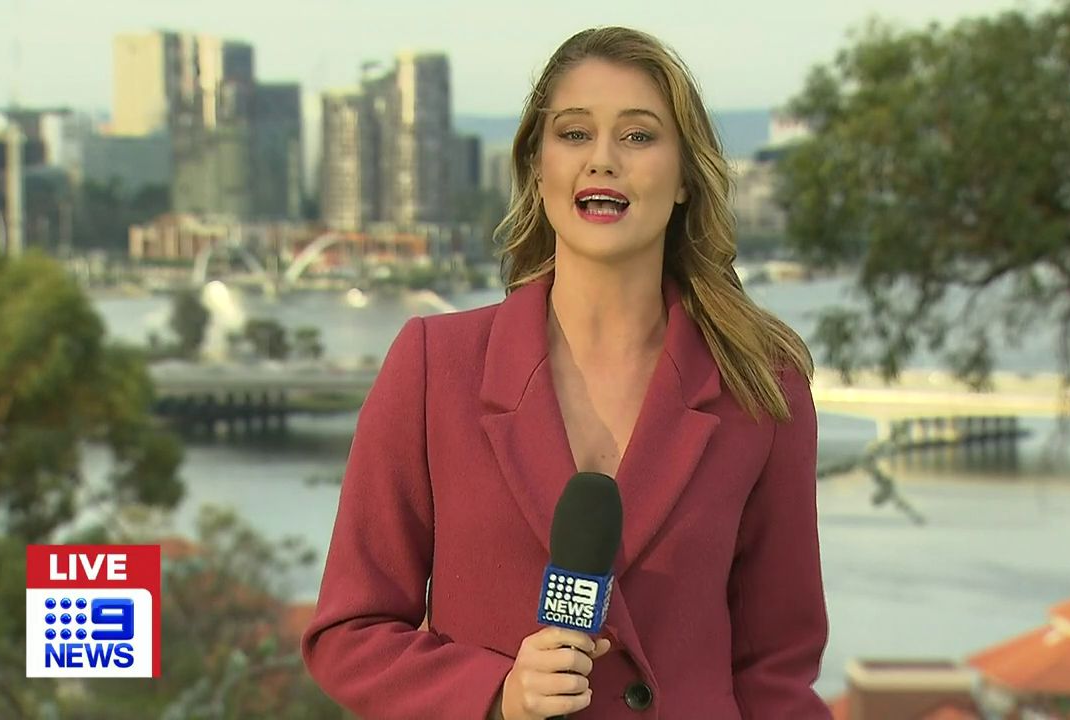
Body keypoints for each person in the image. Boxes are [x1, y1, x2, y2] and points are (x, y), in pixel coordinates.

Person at [301, 26, 830, 719]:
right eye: (575, 134)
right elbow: (351, 632)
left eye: (638, 136)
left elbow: (777, 672)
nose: (602, 160)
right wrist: (497, 694)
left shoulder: (761, 386)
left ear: (684, 179)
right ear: (537, 166)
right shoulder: (435, 367)